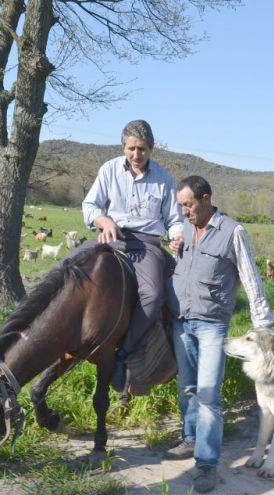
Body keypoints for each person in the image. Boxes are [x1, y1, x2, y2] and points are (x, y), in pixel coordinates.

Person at [165, 175, 274, 493]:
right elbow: (185, 270)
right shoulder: (184, 230)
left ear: (205, 198)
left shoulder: (233, 231)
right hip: (182, 321)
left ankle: (207, 464)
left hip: (213, 325)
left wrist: (263, 323)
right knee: (186, 387)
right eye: (181, 206)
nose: (184, 211)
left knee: (208, 393)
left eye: (188, 205)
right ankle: (190, 439)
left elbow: (250, 277)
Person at [82, 120, 184, 393]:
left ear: (151, 148)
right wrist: (104, 222)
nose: (136, 155)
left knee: (152, 294)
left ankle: (125, 353)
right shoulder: (109, 169)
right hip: (112, 237)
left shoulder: (164, 178)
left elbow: (174, 218)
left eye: (142, 149)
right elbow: (90, 206)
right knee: (70, 273)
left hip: (146, 243)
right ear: (123, 146)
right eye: (131, 148)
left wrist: (177, 234)